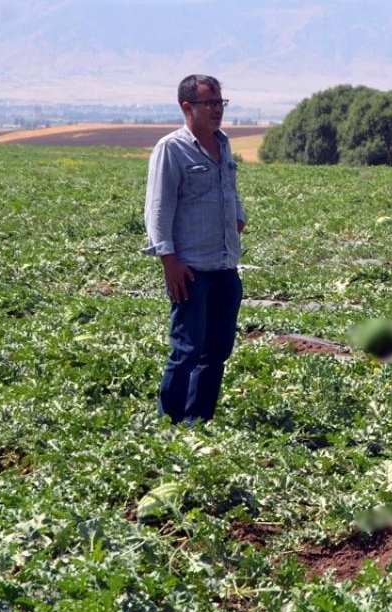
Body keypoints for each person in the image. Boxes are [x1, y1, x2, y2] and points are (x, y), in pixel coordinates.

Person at [143, 74, 246, 424]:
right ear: (187, 107)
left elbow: (229, 187)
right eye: (210, 103)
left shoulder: (224, 144)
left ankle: (198, 423)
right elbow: (158, 210)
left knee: (216, 351)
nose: (218, 110)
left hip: (224, 266)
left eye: (220, 103)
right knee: (186, 350)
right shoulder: (171, 149)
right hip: (190, 269)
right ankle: (168, 423)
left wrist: (238, 216)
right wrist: (168, 263)